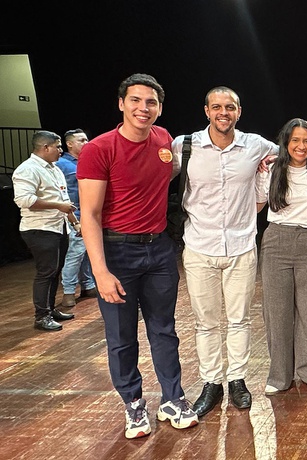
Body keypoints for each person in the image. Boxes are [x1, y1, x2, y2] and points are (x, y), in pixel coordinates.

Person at [78, 73, 198, 439]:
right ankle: (133, 403)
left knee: (165, 331)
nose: (143, 108)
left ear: (159, 108)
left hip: (159, 249)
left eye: (150, 102)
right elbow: (90, 216)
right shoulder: (99, 149)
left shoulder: (163, 140)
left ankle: (172, 398)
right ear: (121, 103)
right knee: (121, 336)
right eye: (135, 100)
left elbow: (172, 173)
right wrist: (99, 270)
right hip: (117, 251)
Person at [172, 87, 278, 417]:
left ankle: (237, 380)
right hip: (199, 247)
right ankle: (211, 383)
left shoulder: (255, 145)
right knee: (205, 323)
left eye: (229, 107)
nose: (223, 112)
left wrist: (266, 173)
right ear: (206, 110)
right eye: (217, 106)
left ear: (239, 112)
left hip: (242, 246)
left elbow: (286, 153)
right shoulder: (183, 146)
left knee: (239, 320)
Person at [257, 118, 307, 396]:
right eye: (295, 140)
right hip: (276, 240)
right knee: (277, 312)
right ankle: (279, 375)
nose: (301, 146)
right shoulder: (272, 169)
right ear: (286, 143)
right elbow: (257, 204)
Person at [12, 131, 76, 331]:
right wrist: (57, 206)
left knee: (55, 271)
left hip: (58, 227)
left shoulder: (55, 169)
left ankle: (50, 308)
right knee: (45, 272)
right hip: (39, 229)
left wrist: (75, 223)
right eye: (57, 147)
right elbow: (24, 200)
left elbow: (64, 201)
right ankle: (41, 316)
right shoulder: (27, 169)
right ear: (45, 148)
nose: (60, 150)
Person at [56, 129, 97, 307]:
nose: (86, 143)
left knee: (88, 253)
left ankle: (87, 285)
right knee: (75, 253)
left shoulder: (88, 161)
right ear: (69, 144)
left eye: (87, 139)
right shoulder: (62, 164)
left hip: (91, 213)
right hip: (74, 215)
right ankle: (68, 291)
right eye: (81, 140)